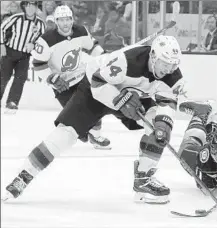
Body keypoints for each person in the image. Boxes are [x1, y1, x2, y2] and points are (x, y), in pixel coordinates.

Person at [3, 35, 184, 204]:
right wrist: (120, 101)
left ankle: (143, 180)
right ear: (153, 56)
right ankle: (24, 176)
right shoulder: (127, 60)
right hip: (95, 89)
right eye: (164, 63)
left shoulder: (172, 75)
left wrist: (163, 123)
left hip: (134, 94)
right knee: (66, 134)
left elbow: (168, 102)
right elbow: (98, 82)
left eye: (173, 65)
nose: (168, 69)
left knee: (157, 127)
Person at [31, 5, 111, 149]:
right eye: (61, 20)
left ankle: (96, 137)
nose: (65, 23)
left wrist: (104, 57)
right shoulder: (46, 39)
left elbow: (92, 46)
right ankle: (81, 131)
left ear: (72, 19)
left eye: (68, 19)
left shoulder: (80, 31)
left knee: (94, 106)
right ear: (56, 21)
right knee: (76, 116)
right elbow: (38, 64)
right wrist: (51, 78)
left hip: (81, 77)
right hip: (62, 84)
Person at [0, 1, 45, 113]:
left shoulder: (40, 23)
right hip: (10, 52)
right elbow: (2, 28)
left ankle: (12, 101)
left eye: (33, 6)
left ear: (36, 8)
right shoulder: (16, 18)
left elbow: (42, 39)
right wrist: (1, 44)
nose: (30, 8)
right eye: (28, 5)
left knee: (20, 78)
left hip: (25, 55)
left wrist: (33, 45)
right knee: (3, 77)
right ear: (24, 7)